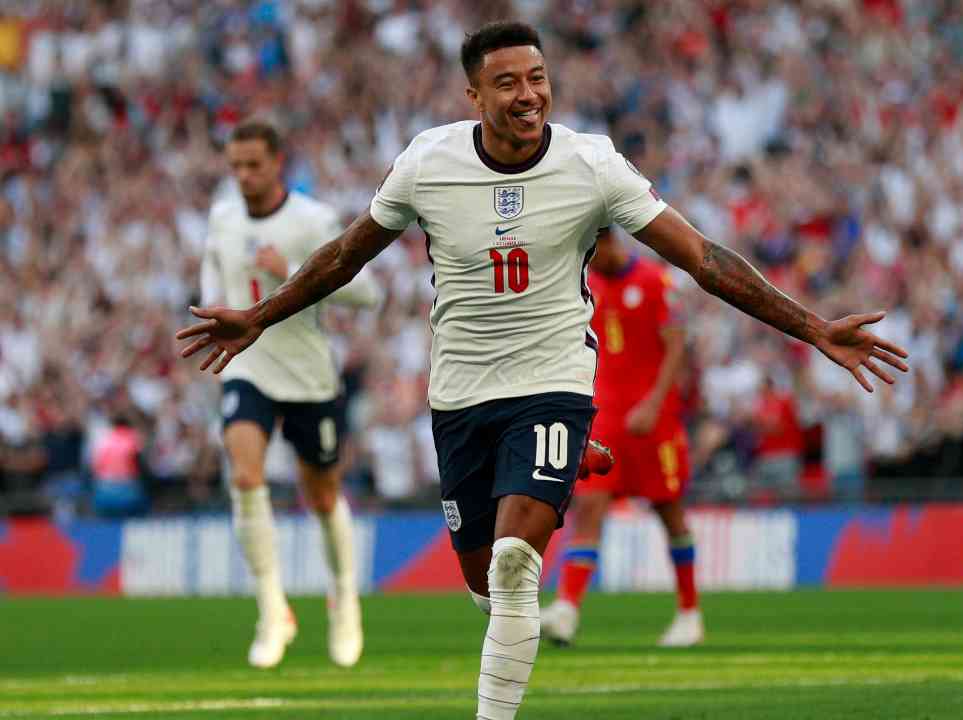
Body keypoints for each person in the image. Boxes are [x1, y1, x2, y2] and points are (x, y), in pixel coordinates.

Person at [177, 22, 907, 719]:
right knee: (486, 589)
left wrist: (813, 327)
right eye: (507, 83)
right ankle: (553, 461)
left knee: (514, 568)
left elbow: (703, 258)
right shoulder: (428, 162)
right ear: (474, 97)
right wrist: (261, 315)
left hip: (552, 382)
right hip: (461, 395)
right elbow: (345, 255)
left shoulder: (592, 164)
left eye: (537, 78)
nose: (528, 94)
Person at [198, 120, 383, 669]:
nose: (243, 176)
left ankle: (344, 601)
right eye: (235, 166)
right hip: (248, 366)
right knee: (245, 476)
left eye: (253, 164)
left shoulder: (313, 220)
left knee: (322, 498)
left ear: (278, 162)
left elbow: (368, 294)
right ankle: (272, 610)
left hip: (307, 373)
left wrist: (297, 274)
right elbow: (213, 279)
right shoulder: (222, 219)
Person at [541, 227, 702, 647]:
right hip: (605, 418)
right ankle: (567, 609)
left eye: (594, 250)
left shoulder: (655, 281)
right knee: (590, 505)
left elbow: (676, 347)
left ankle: (689, 613)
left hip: (655, 419)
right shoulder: (585, 286)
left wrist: (653, 404)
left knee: (669, 510)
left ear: (610, 241)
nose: (591, 259)